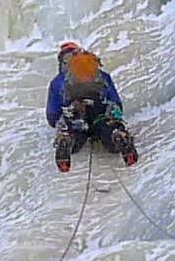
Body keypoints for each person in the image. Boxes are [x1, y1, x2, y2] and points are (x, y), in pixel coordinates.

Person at [45, 41, 138, 172]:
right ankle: (117, 135)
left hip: (75, 111)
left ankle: (68, 139)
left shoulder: (57, 81)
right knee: (106, 128)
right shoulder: (100, 74)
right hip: (98, 109)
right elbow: (116, 102)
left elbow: (52, 115)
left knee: (74, 132)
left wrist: (61, 120)